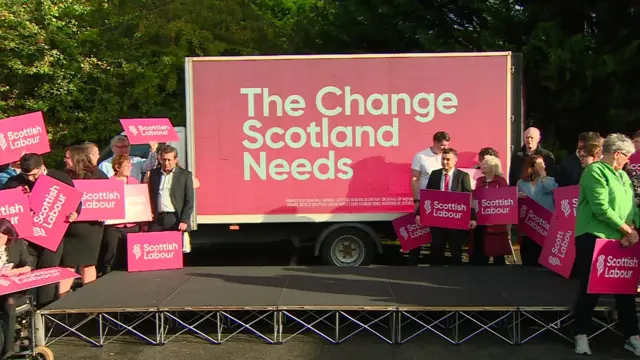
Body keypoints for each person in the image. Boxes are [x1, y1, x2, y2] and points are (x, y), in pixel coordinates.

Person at [572, 133, 640, 356]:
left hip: (621, 238)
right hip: (593, 236)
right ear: (617, 154)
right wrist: (627, 230)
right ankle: (580, 334)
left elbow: (632, 207)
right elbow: (601, 207)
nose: (629, 160)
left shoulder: (623, 176)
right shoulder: (594, 171)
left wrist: (634, 229)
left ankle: (632, 335)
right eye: (627, 156)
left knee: (625, 290)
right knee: (591, 289)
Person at [2, 154, 78, 307]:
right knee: (25, 275)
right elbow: (6, 207)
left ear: (42, 167)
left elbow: (75, 202)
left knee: (48, 275)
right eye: (26, 175)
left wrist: (75, 214)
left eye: (34, 175)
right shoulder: (14, 182)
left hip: (51, 237)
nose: (30, 179)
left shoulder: (60, 178)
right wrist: (22, 199)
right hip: (27, 240)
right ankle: (22, 313)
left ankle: (46, 313)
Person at [59, 145, 108, 296]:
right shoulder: (64, 176)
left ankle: (88, 299)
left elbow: (109, 197)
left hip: (90, 228)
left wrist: (105, 211)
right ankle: (62, 302)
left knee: (88, 264)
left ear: (76, 158)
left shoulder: (98, 175)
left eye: (67, 157)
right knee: (68, 265)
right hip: (69, 228)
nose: (65, 160)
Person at [414, 148, 476, 265]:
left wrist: (472, 217)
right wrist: (419, 214)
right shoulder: (435, 175)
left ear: (455, 161)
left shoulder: (463, 176)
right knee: (437, 249)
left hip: (455, 221)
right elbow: (428, 196)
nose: (445, 162)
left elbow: (469, 198)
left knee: (455, 251)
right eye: (443, 159)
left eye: (448, 159)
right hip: (438, 220)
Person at [408, 131, 449, 265]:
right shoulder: (421, 156)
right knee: (419, 229)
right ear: (435, 142)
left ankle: (436, 262)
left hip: (441, 201)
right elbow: (414, 179)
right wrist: (416, 200)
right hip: (425, 200)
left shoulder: (446, 156)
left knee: (437, 233)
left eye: (446, 145)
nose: (444, 148)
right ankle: (413, 262)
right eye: (442, 145)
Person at [100, 155, 140, 274]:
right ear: (117, 167)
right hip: (114, 225)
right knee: (111, 252)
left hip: (132, 224)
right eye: (126, 165)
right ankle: (107, 274)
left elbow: (140, 200)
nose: (130, 168)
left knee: (130, 255)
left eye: (130, 165)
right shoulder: (108, 183)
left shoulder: (134, 181)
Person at [516, 154, 558, 266]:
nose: (542, 166)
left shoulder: (549, 180)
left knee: (542, 255)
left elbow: (552, 189)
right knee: (529, 255)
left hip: (544, 223)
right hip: (529, 222)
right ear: (531, 167)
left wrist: (543, 174)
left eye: (542, 164)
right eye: (539, 164)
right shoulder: (521, 183)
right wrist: (517, 196)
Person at [0, 219, 33, 358]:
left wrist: (13, 272)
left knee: (9, 303)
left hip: (11, 289)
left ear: (8, 236)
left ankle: (8, 349)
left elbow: (28, 266)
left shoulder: (17, 245)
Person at [470, 155, 510, 265]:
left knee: (497, 252)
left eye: (484, 164)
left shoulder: (501, 181)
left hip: (496, 222)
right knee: (480, 251)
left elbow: (506, 199)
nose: (480, 166)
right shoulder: (479, 180)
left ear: (492, 166)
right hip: (481, 221)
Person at [147, 145, 194, 232]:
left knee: (173, 245)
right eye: (164, 159)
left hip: (175, 218)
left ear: (175, 160)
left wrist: (184, 220)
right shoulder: (154, 174)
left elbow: (189, 200)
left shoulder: (185, 175)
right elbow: (149, 195)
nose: (166, 163)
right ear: (160, 159)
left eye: (169, 160)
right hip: (157, 218)